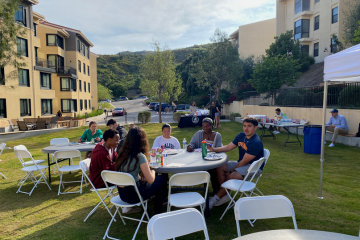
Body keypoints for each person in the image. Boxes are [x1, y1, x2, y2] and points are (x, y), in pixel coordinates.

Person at [207, 117, 264, 209]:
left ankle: (214, 199)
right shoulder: (241, 136)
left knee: (232, 176)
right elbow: (229, 147)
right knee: (220, 166)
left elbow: (244, 161)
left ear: (255, 127)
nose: (246, 128)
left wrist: (230, 172)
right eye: (244, 126)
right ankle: (225, 194)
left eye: (249, 126)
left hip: (252, 168)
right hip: (242, 163)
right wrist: (214, 149)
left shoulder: (255, 142)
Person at [115, 127, 168, 214]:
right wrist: (153, 171)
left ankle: (158, 212)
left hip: (123, 195)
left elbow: (129, 172)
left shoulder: (122, 153)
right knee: (162, 178)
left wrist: (139, 178)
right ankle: (159, 211)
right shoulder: (139, 156)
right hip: (136, 196)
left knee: (160, 188)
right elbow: (151, 180)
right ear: (142, 140)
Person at [187, 118, 223, 194]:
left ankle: (215, 190)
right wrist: (190, 146)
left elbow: (219, 148)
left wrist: (213, 149)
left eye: (207, 126)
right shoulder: (198, 134)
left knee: (213, 169)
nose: (205, 128)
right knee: (208, 169)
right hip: (200, 158)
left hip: (212, 158)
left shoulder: (217, 135)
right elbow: (192, 143)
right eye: (203, 126)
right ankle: (208, 189)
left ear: (211, 125)